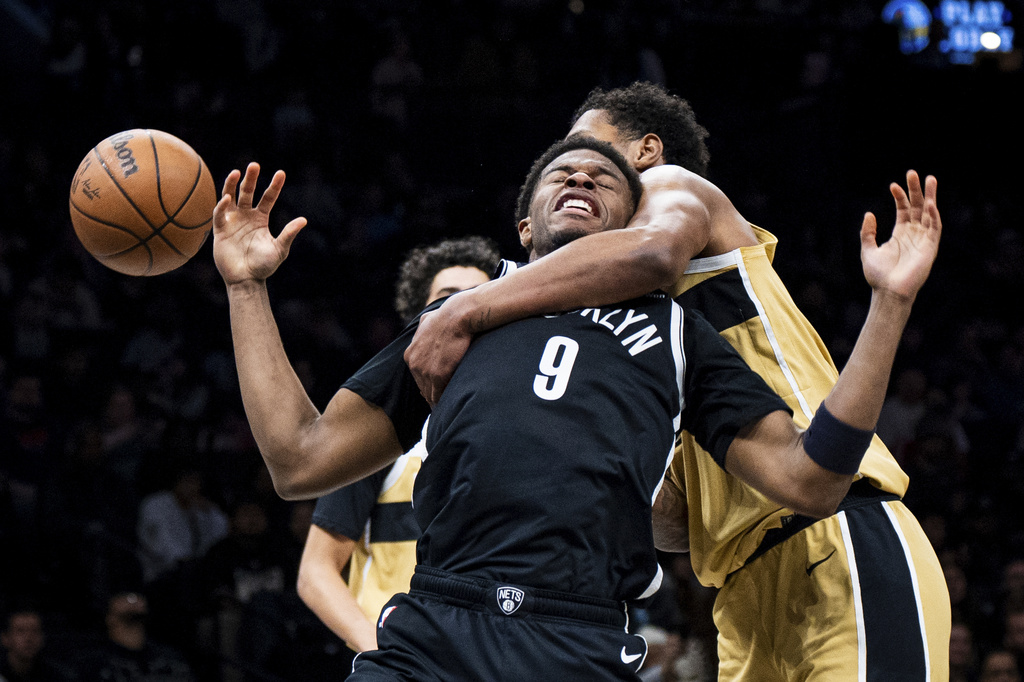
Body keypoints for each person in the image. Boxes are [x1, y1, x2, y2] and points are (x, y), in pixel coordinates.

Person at [210, 132, 939, 680]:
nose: (584, 172)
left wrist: (890, 308)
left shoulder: (683, 336)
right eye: (562, 171)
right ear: (525, 230)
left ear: (634, 226)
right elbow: (298, 458)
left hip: (578, 639)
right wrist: (246, 288)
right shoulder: (454, 320)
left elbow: (812, 481)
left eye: (605, 177)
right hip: (434, 625)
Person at [405, 81, 951, 679]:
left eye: (586, 145)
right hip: (742, 588)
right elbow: (670, 528)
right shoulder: (629, 338)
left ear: (644, 152)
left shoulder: (670, 190)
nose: (575, 169)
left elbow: (653, 253)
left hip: (838, 535)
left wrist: (465, 307)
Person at [296, 236, 498, 655]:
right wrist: (381, 654)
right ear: (420, 318)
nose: (461, 308)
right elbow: (315, 571)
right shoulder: (379, 435)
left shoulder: (515, 429)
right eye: (446, 297)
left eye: (477, 297)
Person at [0, 604, 68, 682]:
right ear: (5, 638)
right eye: (20, 631)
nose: (29, 638)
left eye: (35, 631)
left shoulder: (55, 676)